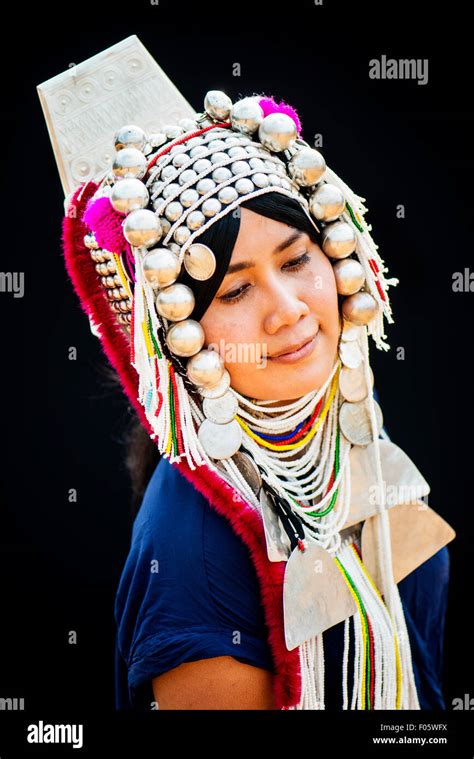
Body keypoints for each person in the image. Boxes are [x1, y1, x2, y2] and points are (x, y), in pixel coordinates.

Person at [58, 86, 456, 710]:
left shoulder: (340, 436)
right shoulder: (193, 560)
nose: (289, 310)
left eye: (297, 259)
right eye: (236, 293)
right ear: (174, 336)